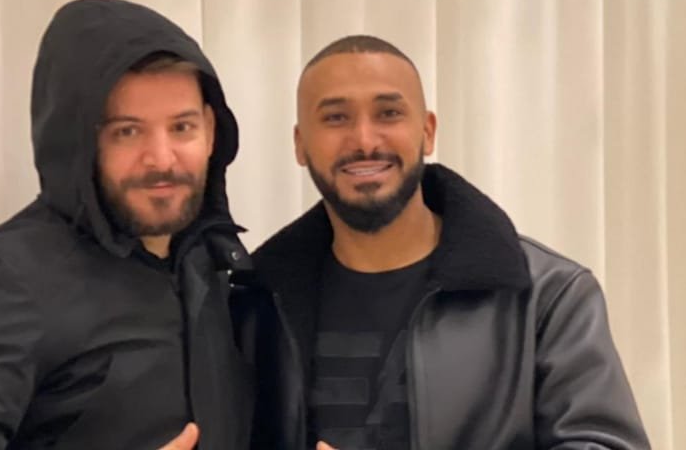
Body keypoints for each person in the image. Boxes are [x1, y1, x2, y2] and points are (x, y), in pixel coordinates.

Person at [0, 0, 254, 450]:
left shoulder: (208, 261)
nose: (162, 159)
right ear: (76, 141)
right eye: (127, 131)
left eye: (182, 127)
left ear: (211, 131)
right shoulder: (5, 279)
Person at [250, 35, 650, 449]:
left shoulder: (546, 296)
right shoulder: (256, 304)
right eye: (336, 118)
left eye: (388, 113)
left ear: (427, 131)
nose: (365, 140)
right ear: (300, 144)